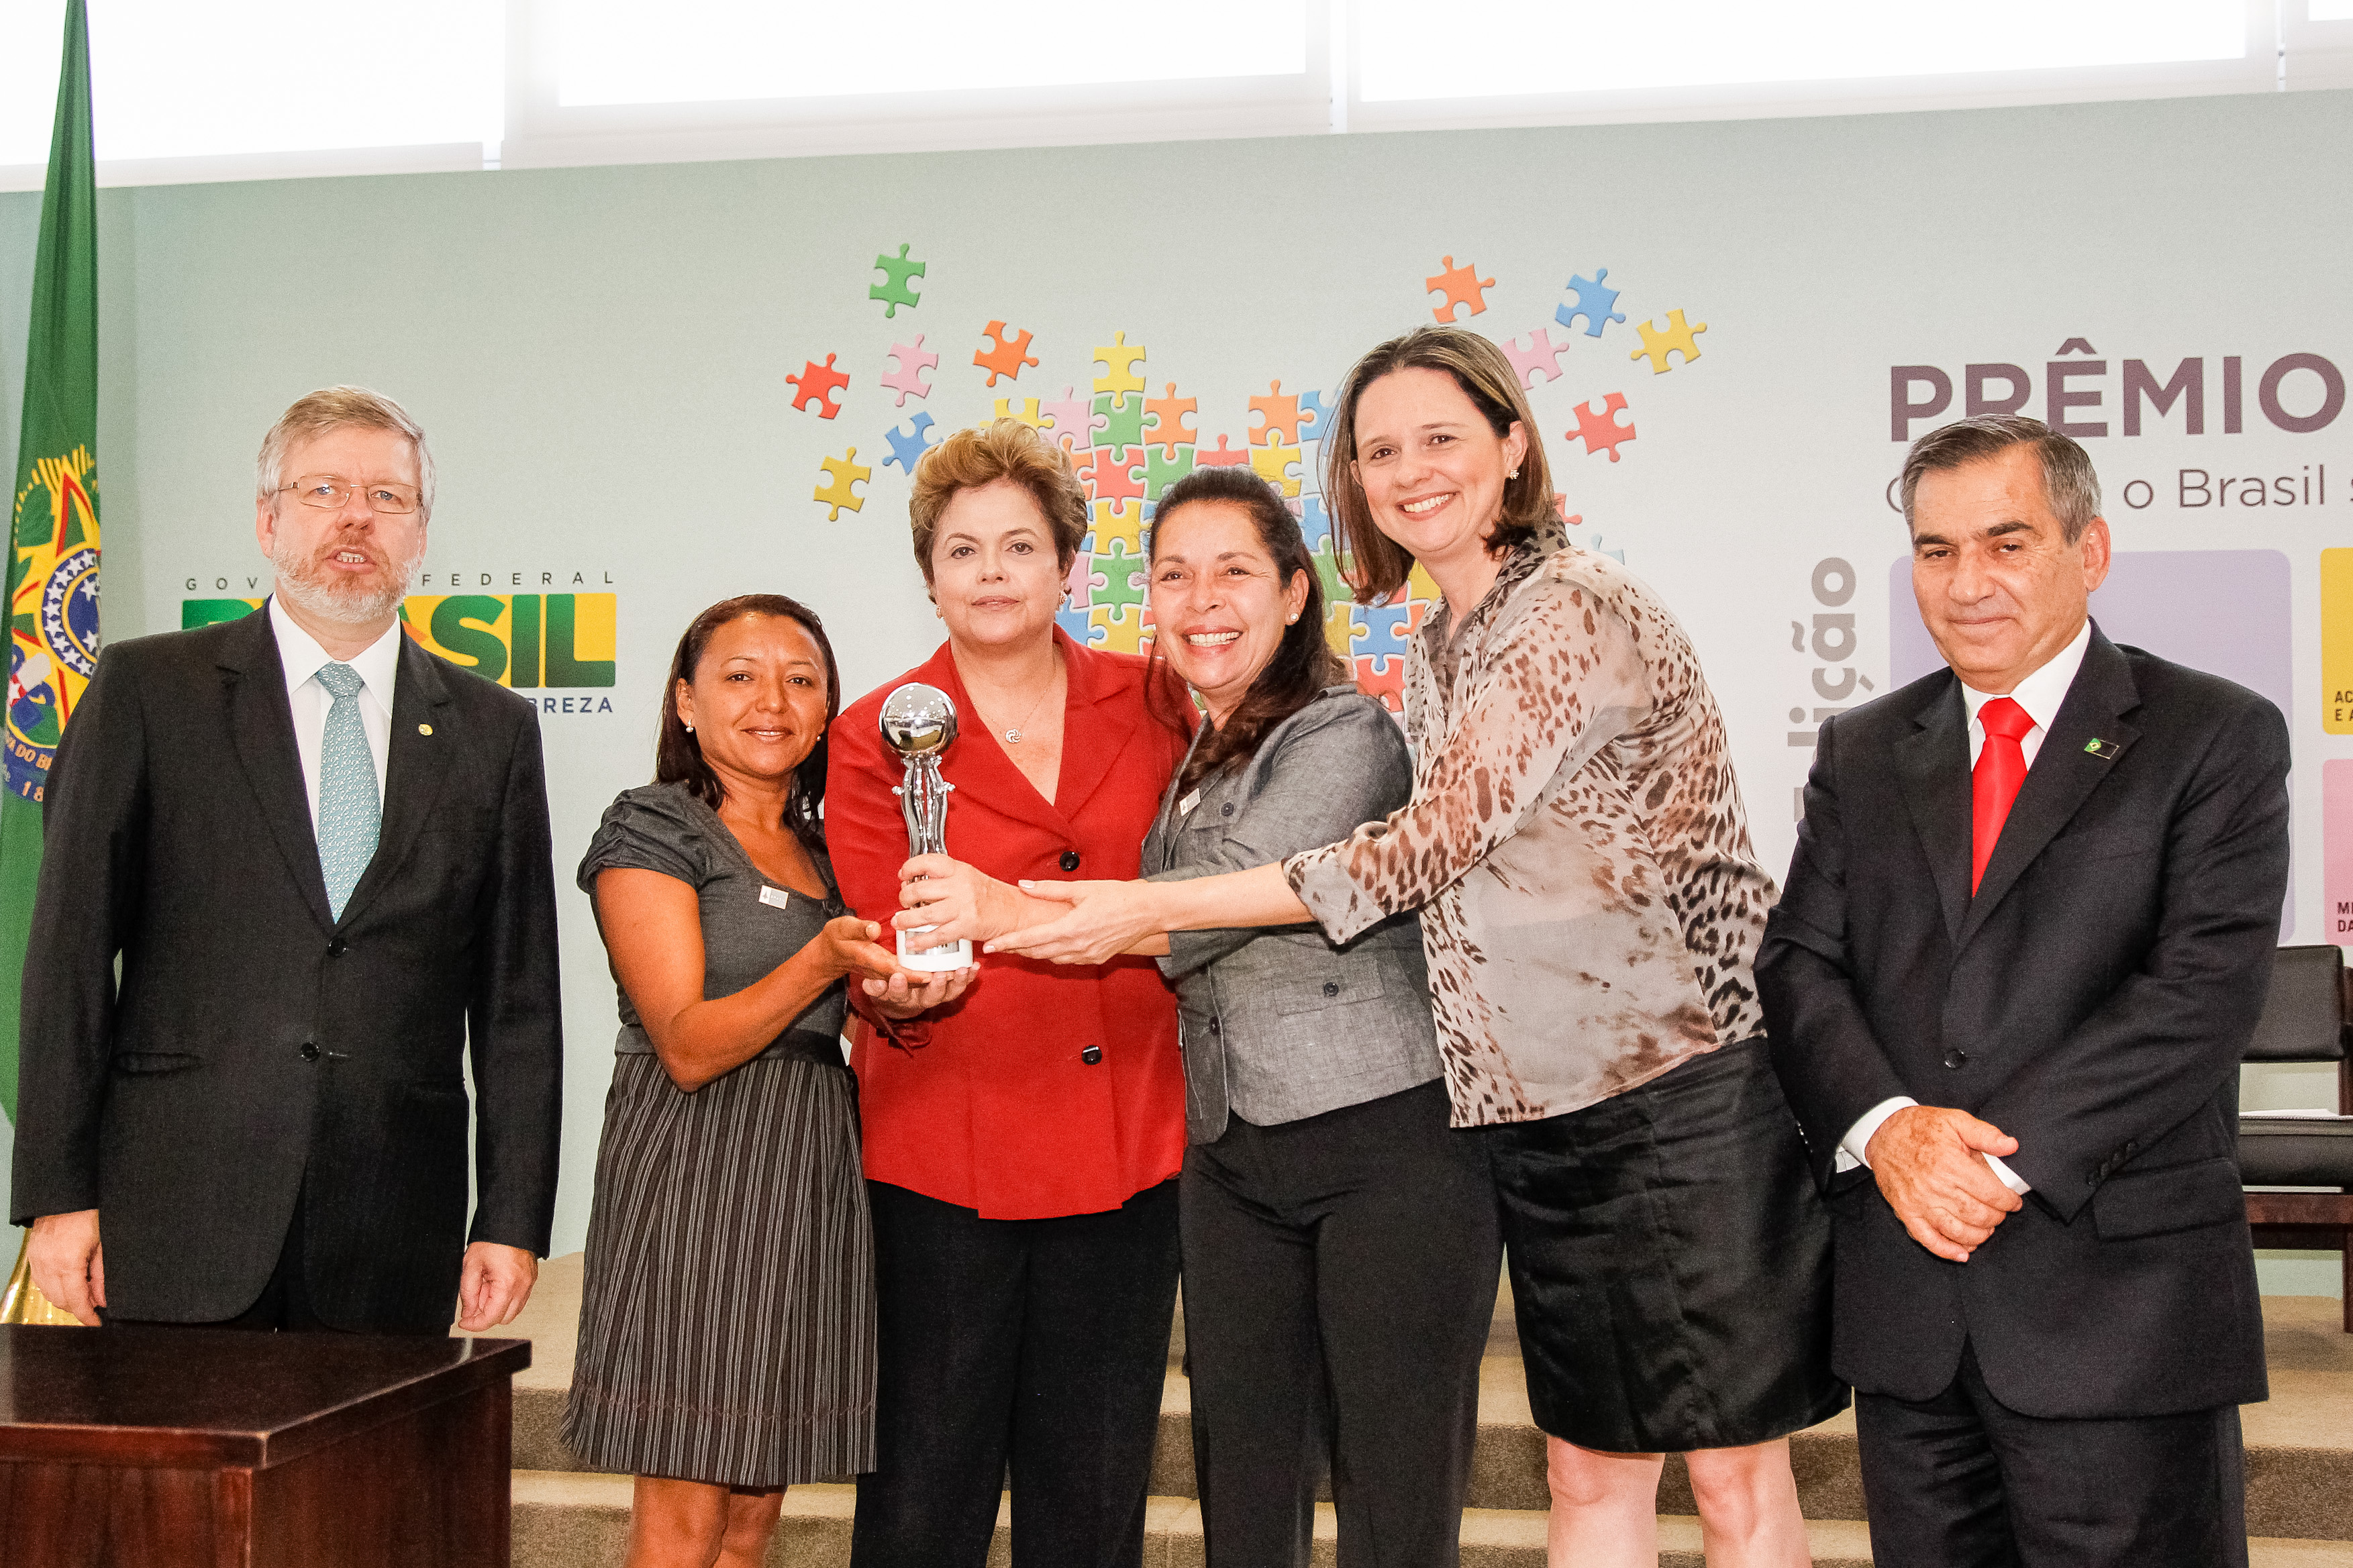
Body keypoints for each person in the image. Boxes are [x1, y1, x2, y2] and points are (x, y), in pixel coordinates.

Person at [955, 327, 1844, 1568]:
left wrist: (1125, 909)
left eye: (1442, 438)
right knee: (1586, 1471)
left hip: (1680, 1088)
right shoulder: (1439, 646)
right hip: (1535, 1111)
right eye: (1380, 450)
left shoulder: (1568, 611)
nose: (1410, 470)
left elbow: (1425, 849)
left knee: (1735, 1478)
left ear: (1513, 446)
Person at [897, 464, 1501, 1567]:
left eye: (1233, 571)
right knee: (1244, 1477)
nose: (1200, 599)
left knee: (1395, 1486)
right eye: (1172, 574)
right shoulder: (1184, 747)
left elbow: (1229, 893)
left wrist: (996, 907)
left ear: (1291, 592)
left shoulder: (1342, 733)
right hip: (1229, 1157)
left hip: (1383, 1143)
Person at [1756, 415, 2287, 1568]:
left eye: (2006, 542)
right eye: (1936, 550)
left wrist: (1985, 1162)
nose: (1967, 581)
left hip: (2118, 1310)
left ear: (2087, 552)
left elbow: (2196, 994)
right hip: (1910, 1310)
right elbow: (1797, 963)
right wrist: (1890, 1133)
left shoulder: (2212, 735)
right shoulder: (1860, 748)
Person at [11, 384, 561, 1334]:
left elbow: (518, 1002)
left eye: (388, 498)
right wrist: (58, 1196)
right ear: (268, 520)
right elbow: (66, 957)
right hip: (175, 1214)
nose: (356, 517)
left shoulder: (493, 730)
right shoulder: (149, 691)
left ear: (421, 534)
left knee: (370, 1490)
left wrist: (510, 1218)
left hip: (395, 1223)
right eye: (323, 490)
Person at [823, 419, 1193, 1568]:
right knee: (924, 1493)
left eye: (1019, 546)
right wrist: (896, 987)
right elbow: (890, 929)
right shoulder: (873, 732)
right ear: (928, 575)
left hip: (1129, 1148)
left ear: (1066, 565)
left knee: (1091, 1496)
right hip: (943, 1150)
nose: (992, 573)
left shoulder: (1164, 700)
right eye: (963, 549)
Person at [565, 594, 948, 1568]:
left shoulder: (834, 848)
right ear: (685, 702)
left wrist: (895, 999)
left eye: (800, 678)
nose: (771, 699)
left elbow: (839, 1015)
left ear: (827, 711)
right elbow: (686, 1041)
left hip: (811, 1164)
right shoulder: (653, 824)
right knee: (688, 1501)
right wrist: (823, 962)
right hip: (697, 1161)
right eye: (739, 675)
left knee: (754, 1504)